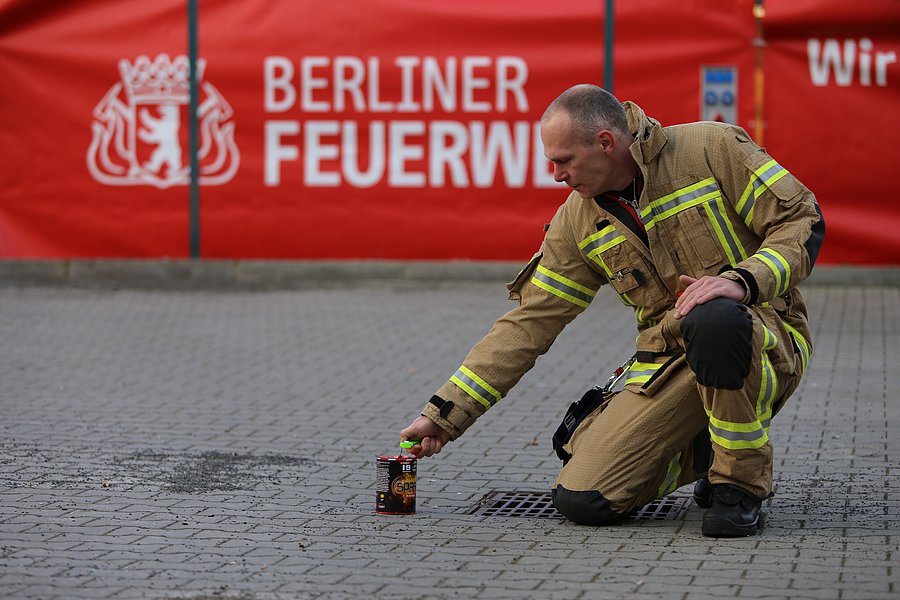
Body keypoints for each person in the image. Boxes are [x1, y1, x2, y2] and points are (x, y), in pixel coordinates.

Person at [400, 84, 824, 537]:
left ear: (604, 142)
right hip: (671, 362)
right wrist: (445, 414)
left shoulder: (710, 148)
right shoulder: (577, 222)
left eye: (564, 161)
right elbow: (527, 326)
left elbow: (803, 219)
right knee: (584, 499)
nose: (557, 175)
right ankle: (710, 453)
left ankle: (740, 484)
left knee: (714, 317)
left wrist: (742, 281)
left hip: (765, 336)